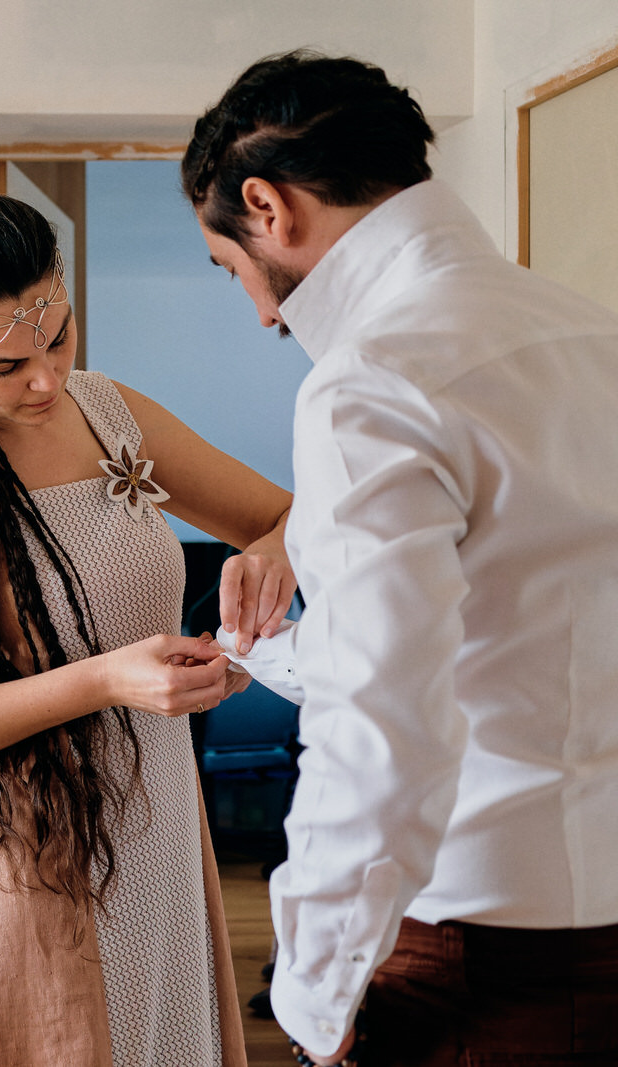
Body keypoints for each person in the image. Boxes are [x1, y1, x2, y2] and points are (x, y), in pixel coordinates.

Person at [182, 50, 618, 1066]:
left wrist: (312, 1002)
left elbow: (382, 722)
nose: (259, 312)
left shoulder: (369, 383)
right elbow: (507, 627)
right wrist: (279, 650)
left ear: (265, 206)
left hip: (478, 953)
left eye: (231, 266)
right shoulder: (594, 336)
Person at [0, 193, 296, 1066]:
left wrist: (269, 560)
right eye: (7, 364)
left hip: (163, 834)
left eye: (58, 337)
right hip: (27, 861)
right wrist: (104, 679)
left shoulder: (109, 411)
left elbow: (290, 518)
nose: (46, 380)